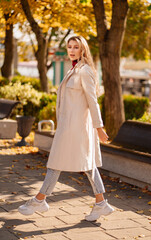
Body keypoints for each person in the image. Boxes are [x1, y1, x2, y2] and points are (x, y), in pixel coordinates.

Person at [18, 35, 114, 221]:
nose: (71, 50)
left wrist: (99, 127)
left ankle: (39, 199)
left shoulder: (84, 71)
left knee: (58, 162)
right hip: (69, 126)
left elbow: (92, 102)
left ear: (83, 50)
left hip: (77, 128)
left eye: (75, 47)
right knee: (85, 165)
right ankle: (101, 203)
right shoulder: (74, 70)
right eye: (69, 46)